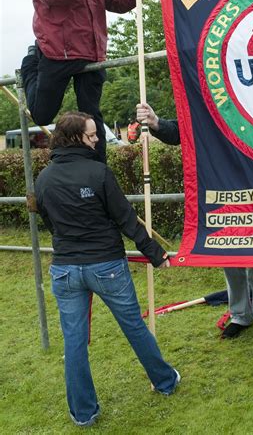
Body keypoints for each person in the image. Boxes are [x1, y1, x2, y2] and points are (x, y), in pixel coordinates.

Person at [35, 111, 180, 427]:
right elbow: (127, 220)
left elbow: (50, 224)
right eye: (91, 135)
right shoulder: (99, 173)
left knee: (73, 342)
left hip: (65, 271)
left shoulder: (42, 179)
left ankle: (83, 414)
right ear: (75, 138)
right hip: (106, 267)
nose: (97, 139)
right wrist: (156, 255)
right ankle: (166, 382)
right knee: (134, 327)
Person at [136, 102, 253, 346]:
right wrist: (155, 122)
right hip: (222, 194)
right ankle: (240, 316)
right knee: (229, 259)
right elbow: (180, 131)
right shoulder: (206, 104)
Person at [21, 0, 138, 163]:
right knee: (42, 115)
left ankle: (99, 172)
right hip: (57, 52)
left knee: (92, 117)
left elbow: (116, 2)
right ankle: (31, 62)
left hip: (91, 54)